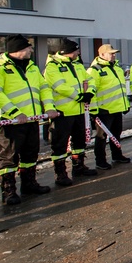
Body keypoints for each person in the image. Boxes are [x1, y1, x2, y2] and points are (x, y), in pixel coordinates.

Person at [0, 35, 58, 204]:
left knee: (30, 154)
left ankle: (29, 183)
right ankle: (8, 190)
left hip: (31, 119)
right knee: (9, 157)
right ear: (18, 49)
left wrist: (49, 107)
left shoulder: (32, 67)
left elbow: (44, 88)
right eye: (28, 48)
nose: (31, 50)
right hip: (10, 121)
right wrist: (14, 112)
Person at [45, 38, 97, 184]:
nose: (78, 52)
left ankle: (78, 166)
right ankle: (60, 173)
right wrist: (79, 96)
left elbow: (90, 79)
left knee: (79, 141)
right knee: (59, 144)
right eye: (76, 50)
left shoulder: (77, 65)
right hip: (63, 113)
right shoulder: (52, 67)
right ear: (67, 52)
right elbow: (59, 86)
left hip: (79, 111)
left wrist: (90, 92)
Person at [87, 43, 132, 167]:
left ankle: (117, 155)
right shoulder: (94, 70)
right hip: (103, 110)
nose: (113, 55)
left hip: (117, 108)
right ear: (102, 55)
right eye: (111, 53)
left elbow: (121, 89)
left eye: (114, 53)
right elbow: (92, 91)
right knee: (101, 137)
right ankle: (100, 161)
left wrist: (125, 104)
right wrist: (94, 109)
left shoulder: (116, 68)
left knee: (116, 134)